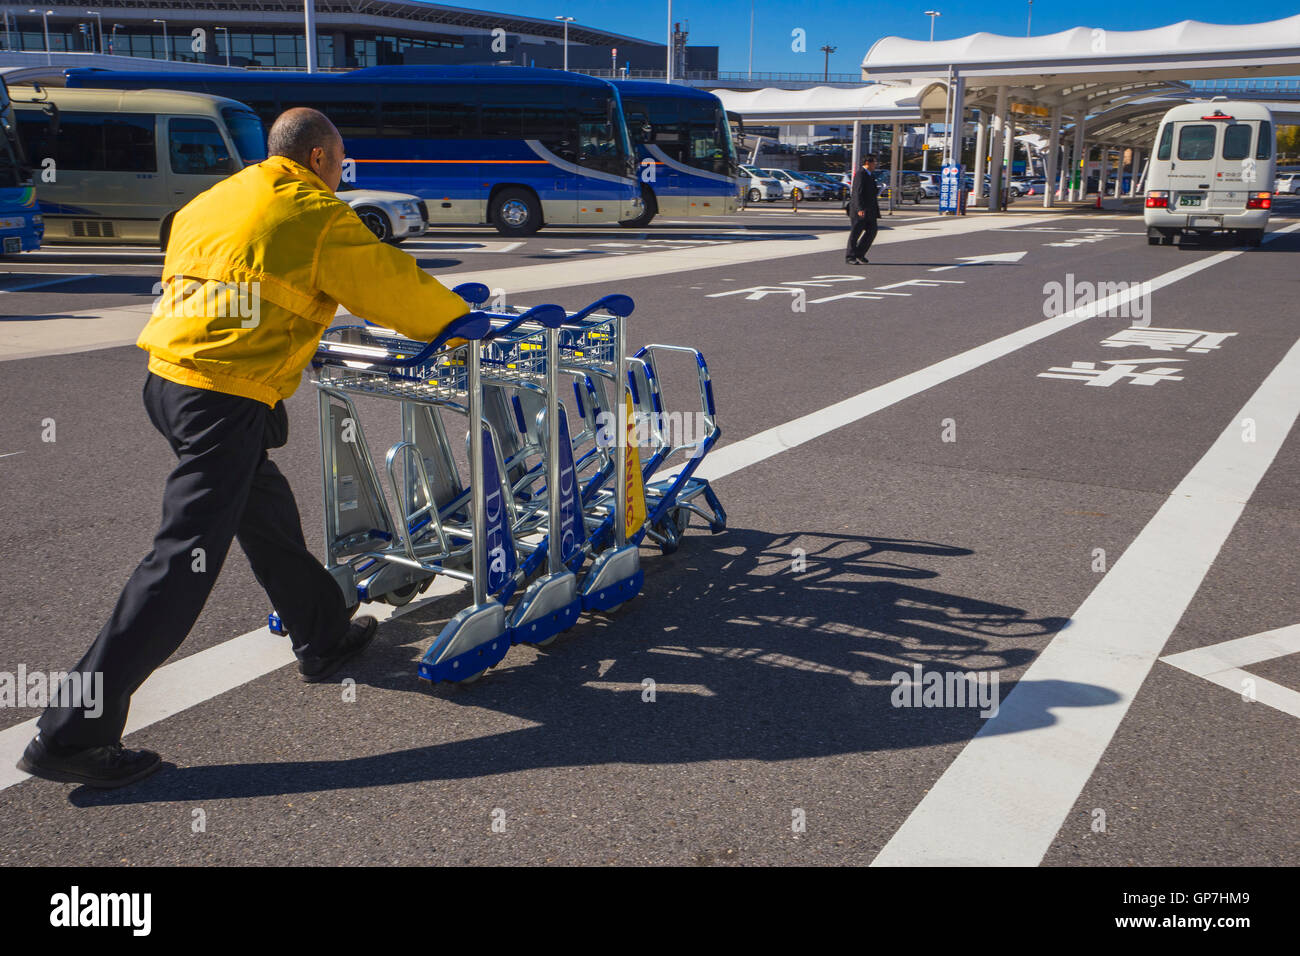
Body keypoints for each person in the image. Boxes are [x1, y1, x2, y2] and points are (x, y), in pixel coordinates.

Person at [18, 108, 472, 789]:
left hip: (168, 380)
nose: (342, 173)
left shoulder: (221, 196)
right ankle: (71, 733)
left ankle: (321, 631)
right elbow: (393, 286)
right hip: (222, 396)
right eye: (341, 161)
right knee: (180, 563)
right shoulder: (313, 211)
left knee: (261, 505)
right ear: (319, 158)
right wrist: (466, 326)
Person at [846, 154, 882, 265]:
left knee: (872, 231)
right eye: (874, 162)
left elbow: (871, 191)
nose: (875, 164)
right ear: (867, 162)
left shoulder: (870, 175)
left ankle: (860, 253)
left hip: (870, 209)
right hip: (860, 209)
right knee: (855, 233)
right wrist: (859, 208)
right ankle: (850, 256)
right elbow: (857, 193)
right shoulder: (860, 174)